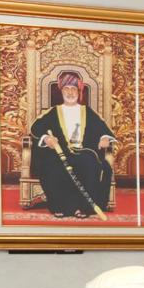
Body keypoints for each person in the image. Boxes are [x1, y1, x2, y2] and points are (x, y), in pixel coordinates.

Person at [27, 70, 114, 217]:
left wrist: (104, 138)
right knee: (52, 166)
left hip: (84, 152)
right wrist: (46, 139)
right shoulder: (53, 112)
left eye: (73, 89)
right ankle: (61, 206)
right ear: (61, 91)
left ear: (79, 92)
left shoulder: (87, 111)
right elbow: (36, 128)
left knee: (90, 164)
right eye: (66, 89)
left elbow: (103, 129)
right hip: (60, 153)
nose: (70, 92)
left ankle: (83, 208)